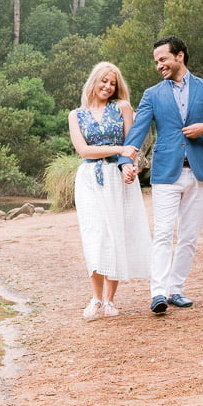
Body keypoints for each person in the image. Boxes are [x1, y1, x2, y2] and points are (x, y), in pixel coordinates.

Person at [119, 35, 203, 315]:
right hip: (165, 173)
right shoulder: (152, 94)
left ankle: (176, 290)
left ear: (179, 56)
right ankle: (158, 292)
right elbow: (138, 130)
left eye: (163, 59)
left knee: (188, 236)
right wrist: (126, 158)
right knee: (162, 233)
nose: (159, 65)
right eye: (156, 61)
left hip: (199, 172)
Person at [69, 62, 151, 321]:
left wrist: (130, 167)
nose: (107, 86)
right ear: (94, 81)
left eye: (112, 83)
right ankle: (95, 298)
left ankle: (110, 300)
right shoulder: (76, 115)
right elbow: (84, 151)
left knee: (117, 233)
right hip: (90, 179)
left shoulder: (123, 108)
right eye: (103, 80)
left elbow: (132, 144)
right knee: (95, 235)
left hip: (117, 177)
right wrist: (118, 150)